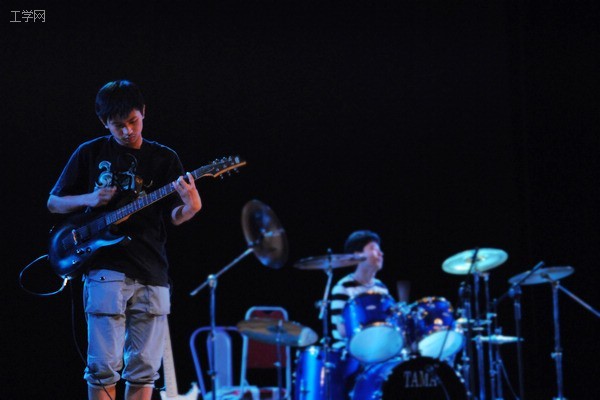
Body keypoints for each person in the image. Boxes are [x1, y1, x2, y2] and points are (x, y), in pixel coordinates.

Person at [47, 80, 202, 400]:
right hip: (106, 269)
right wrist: (90, 198)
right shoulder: (90, 152)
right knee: (103, 367)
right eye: (118, 125)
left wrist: (190, 208)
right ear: (104, 122)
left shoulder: (164, 158)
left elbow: (174, 216)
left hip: (152, 270)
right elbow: (54, 203)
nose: (128, 131)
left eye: (133, 121)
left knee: (145, 370)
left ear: (143, 112)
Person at [330, 229, 389, 345]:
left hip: (377, 346)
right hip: (348, 348)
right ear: (358, 255)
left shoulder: (381, 288)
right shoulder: (343, 287)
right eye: (373, 249)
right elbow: (342, 331)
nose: (380, 253)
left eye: (380, 250)